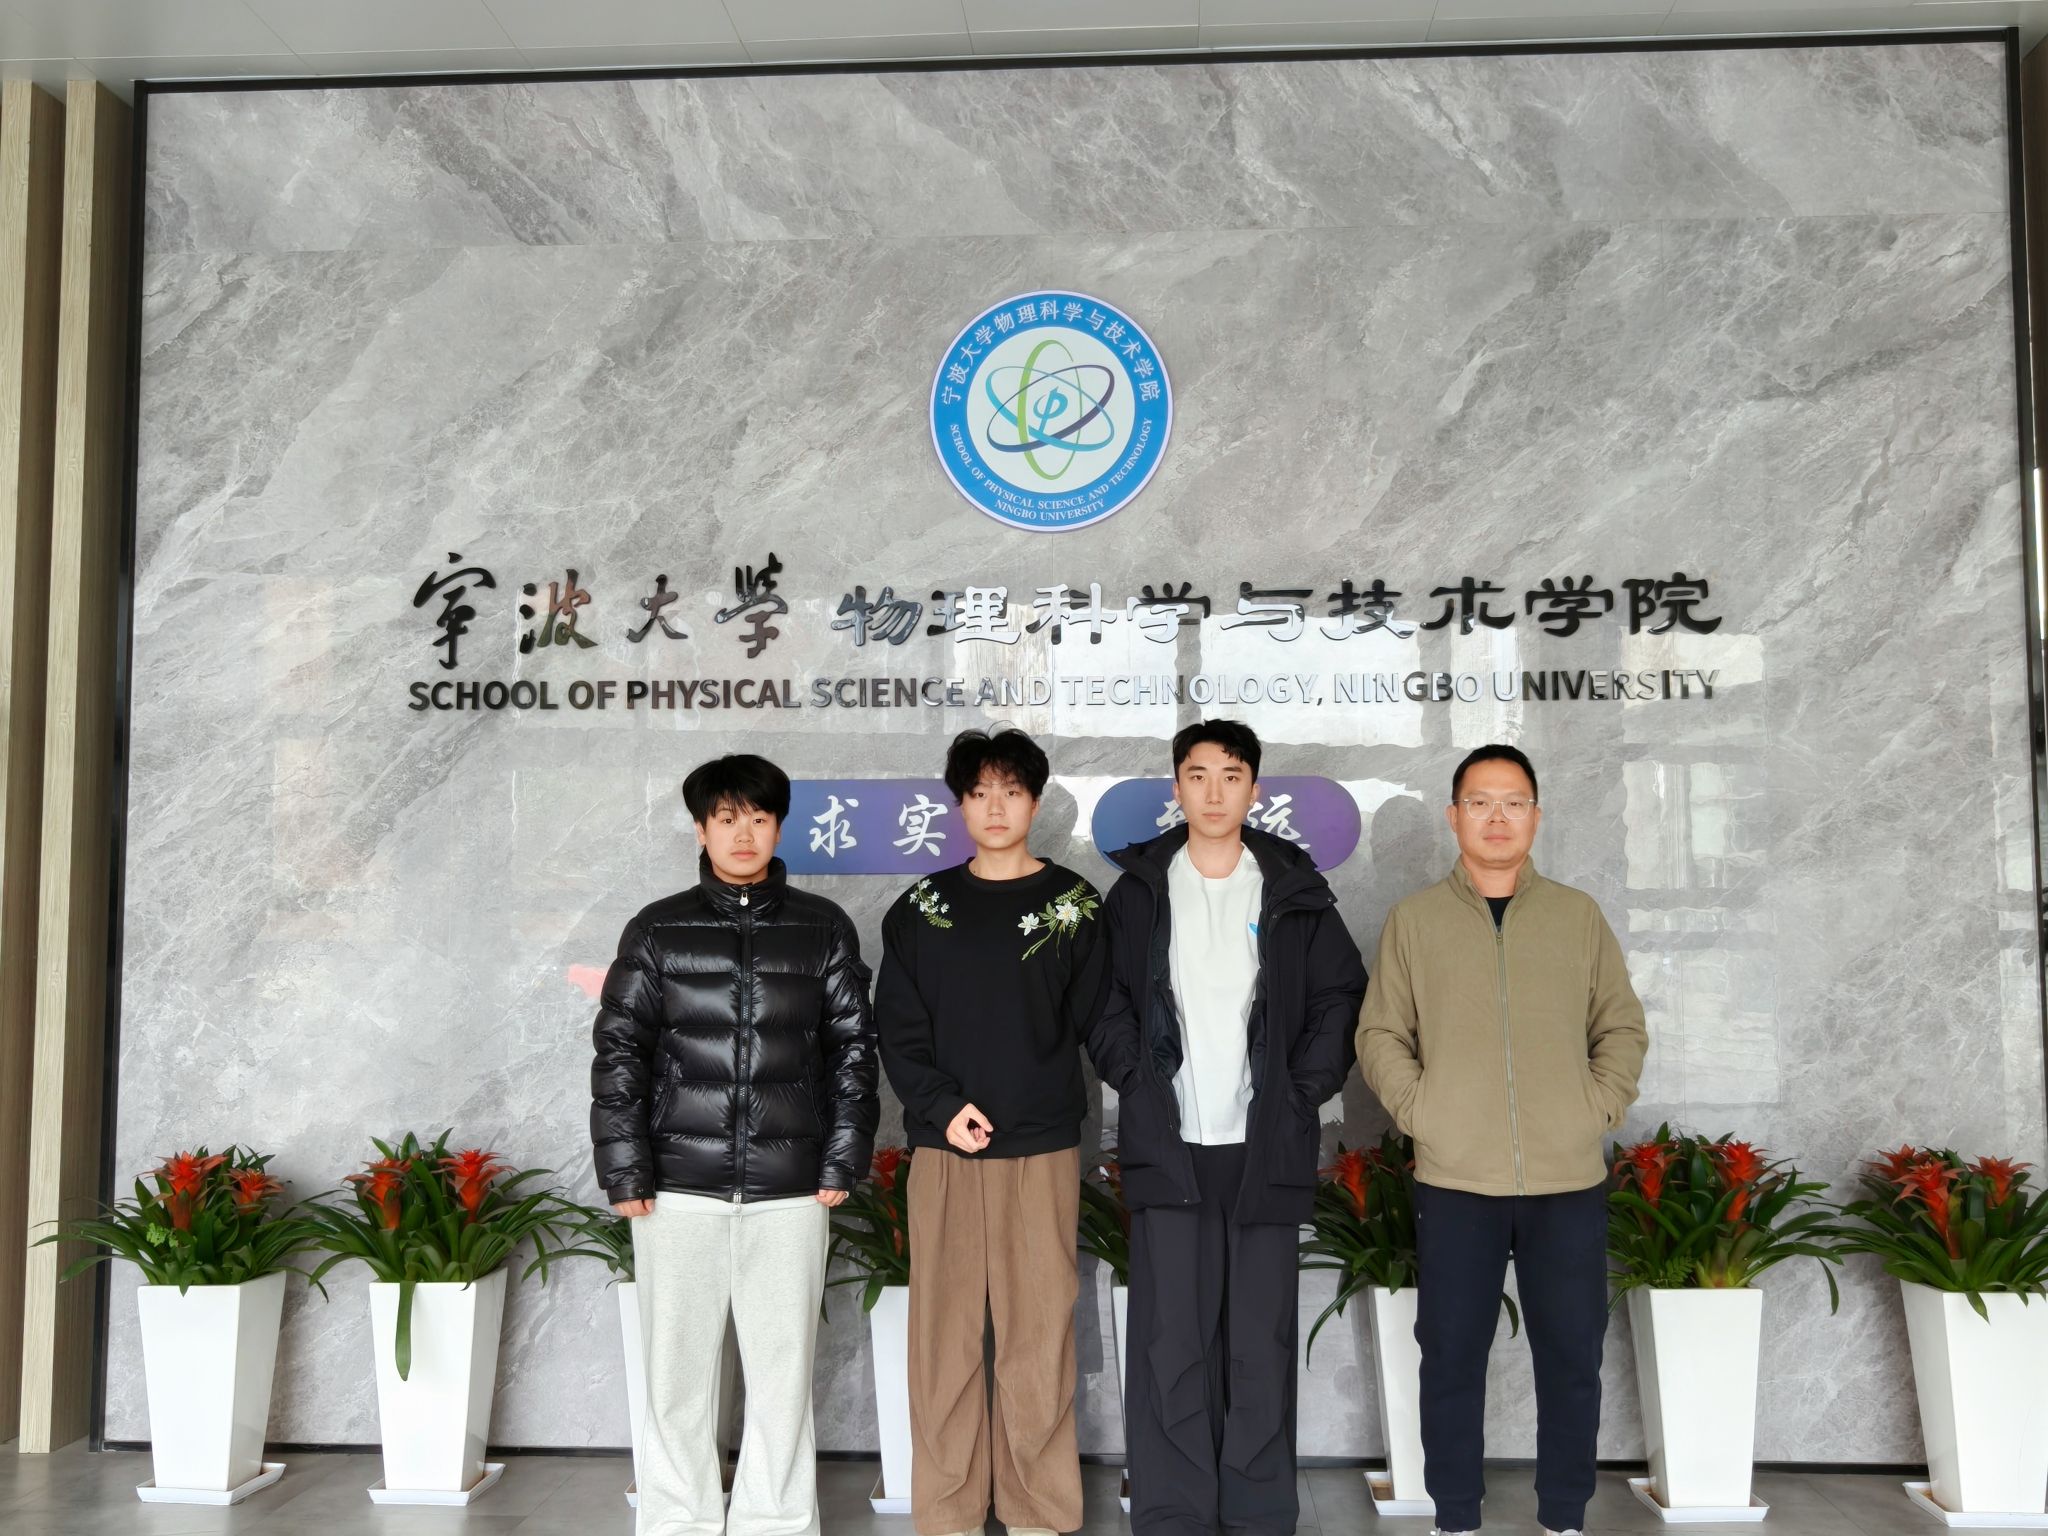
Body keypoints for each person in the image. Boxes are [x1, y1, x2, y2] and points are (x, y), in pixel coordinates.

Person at [1356, 743, 1648, 1536]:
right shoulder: (1415, 921)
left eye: (1513, 802)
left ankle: (1564, 1515)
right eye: (1480, 802)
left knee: (1572, 1356)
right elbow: (1381, 1033)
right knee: (1451, 1354)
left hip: (1567, 1179)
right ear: (1453, 817)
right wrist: (1425, 1112)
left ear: (1535, 817)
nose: (1496, 817)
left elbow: (1621, 1026)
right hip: (1456, 1180)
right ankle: (1455, 1516)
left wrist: (1595, 1108)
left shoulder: (1577, 916)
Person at [1086, 719, 1367, 1536]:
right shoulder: (1139, 891)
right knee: (1171, 1339)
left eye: (1231, 775)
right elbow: (1103, 1002)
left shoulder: (1293, 890)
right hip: (1169, 1143)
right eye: (1199, 775)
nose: (1214, 792)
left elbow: (1340, 997)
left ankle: (1257, 1509)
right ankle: (1174, 1510)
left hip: (1263, 1146)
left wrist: (1300, 1092)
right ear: (1177, 787)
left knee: (1259, 1338)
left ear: (1255, 789)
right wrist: (1137, 1083)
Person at [589, 753, 879, 1536]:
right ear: (701, 829)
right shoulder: (657, 928)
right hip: (677, 1187)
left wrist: (842, 1157)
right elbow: (620, 1054)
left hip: (791, 1188)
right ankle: (676, 1521)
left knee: (783, 1378)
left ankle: (775, 1521)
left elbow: (854, 1051)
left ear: (779, 827)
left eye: (758, 816)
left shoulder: (823, 927)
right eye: (726, 818)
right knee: (676, 1376)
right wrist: (625, 1170)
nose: (743, 832)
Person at [874, 726, 1108, 1536]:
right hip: (945, 1150)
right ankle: (947, 1512)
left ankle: (1037, 1509)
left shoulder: (1076, 905)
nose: (996, 806)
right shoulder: (922, 909)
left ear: (1035, 803)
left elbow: (1099, 1021)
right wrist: (943, 1107)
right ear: (960, 805)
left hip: (1041, 1146)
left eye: (1011, 792)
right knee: (942, 1341)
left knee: (1038, 1335)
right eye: (979, 793)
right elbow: (898, 1028)